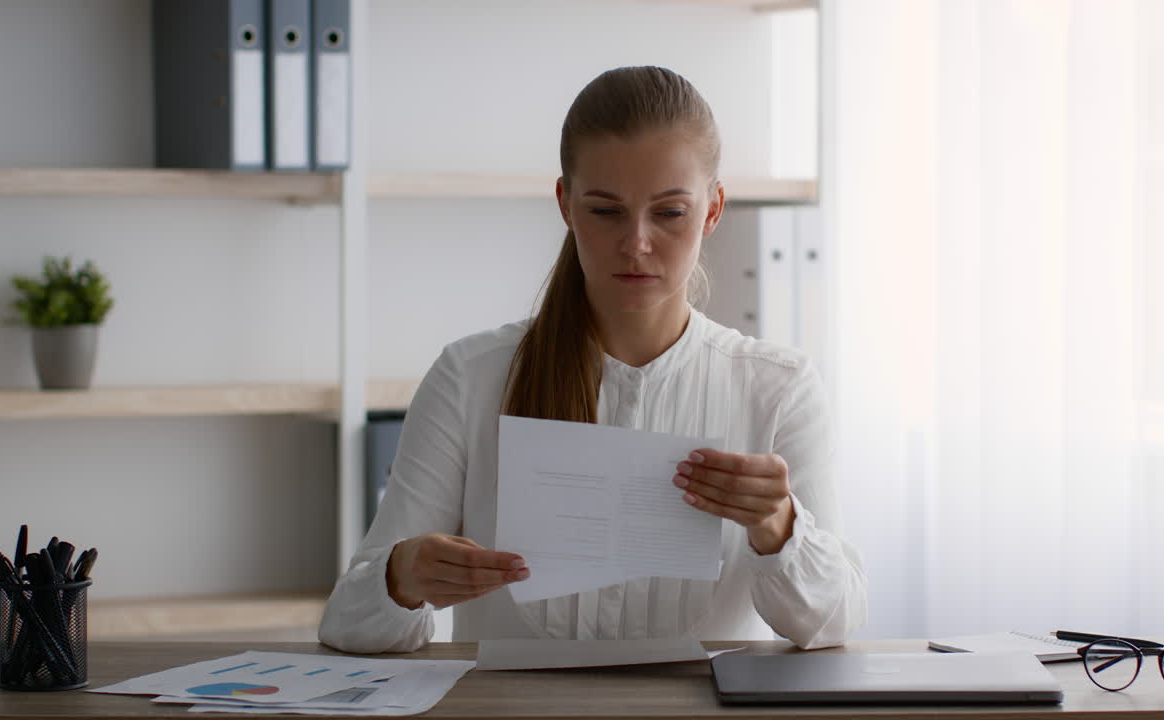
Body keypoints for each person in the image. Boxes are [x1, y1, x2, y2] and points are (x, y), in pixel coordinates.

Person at [318, 66, 866, 653]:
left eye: (669, 213)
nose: (636, 243)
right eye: (606, 211)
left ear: (712, 210)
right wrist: (400, 577)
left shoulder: (778, 388)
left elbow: (834, 624)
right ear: (566, 204)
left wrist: (777, 525)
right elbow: (347, 624)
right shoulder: (469, 377)